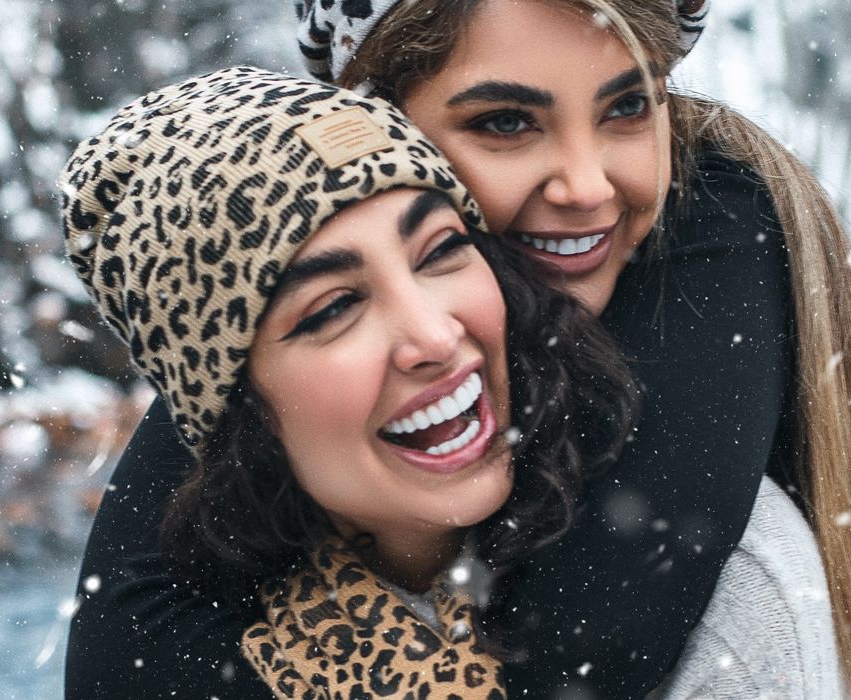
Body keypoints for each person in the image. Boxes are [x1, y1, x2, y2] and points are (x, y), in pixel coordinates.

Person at [67, 1, 851, 698]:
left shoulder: (709, 232)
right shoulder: (254, 346)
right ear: (383, 125)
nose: (587, 187)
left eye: (627, 107)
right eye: (505, 122)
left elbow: (589, 646)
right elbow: (130, 634)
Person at [59, 66, 641, 696]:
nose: (435, 337)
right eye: (333, 308)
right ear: (236, 407)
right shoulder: (199, 650)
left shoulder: (724, 602)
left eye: (441, 250)